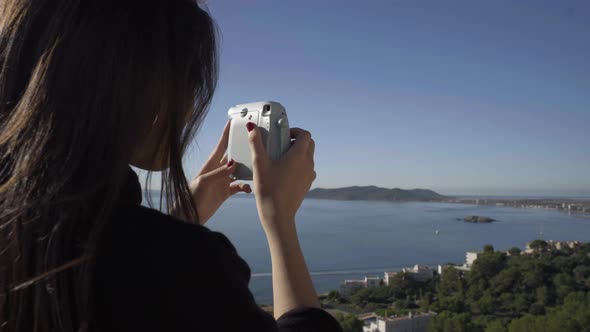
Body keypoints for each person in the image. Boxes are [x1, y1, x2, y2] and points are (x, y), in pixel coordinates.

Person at [0, 1, 342, 331]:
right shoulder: (184, 267)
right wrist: (279, 219)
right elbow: (144, 278)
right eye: (191, 81)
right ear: (142, 83)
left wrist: (185, 214)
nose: (191, 110)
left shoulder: (25, 225)